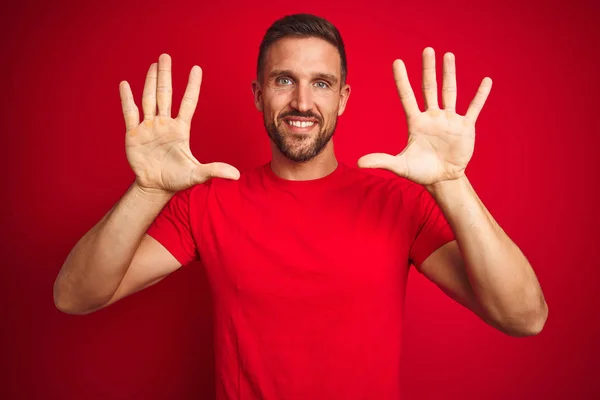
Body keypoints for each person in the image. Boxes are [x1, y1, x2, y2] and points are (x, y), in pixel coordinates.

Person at [53, 13, 548, 400]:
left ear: (344, 98)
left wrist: (452, 182)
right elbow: (76, 296)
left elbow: (523, 317)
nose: (302, 102)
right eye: (284, 80)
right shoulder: (209, 201)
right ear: (258, 93)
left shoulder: (397, 203)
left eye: (322, 83)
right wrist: (148, 190)